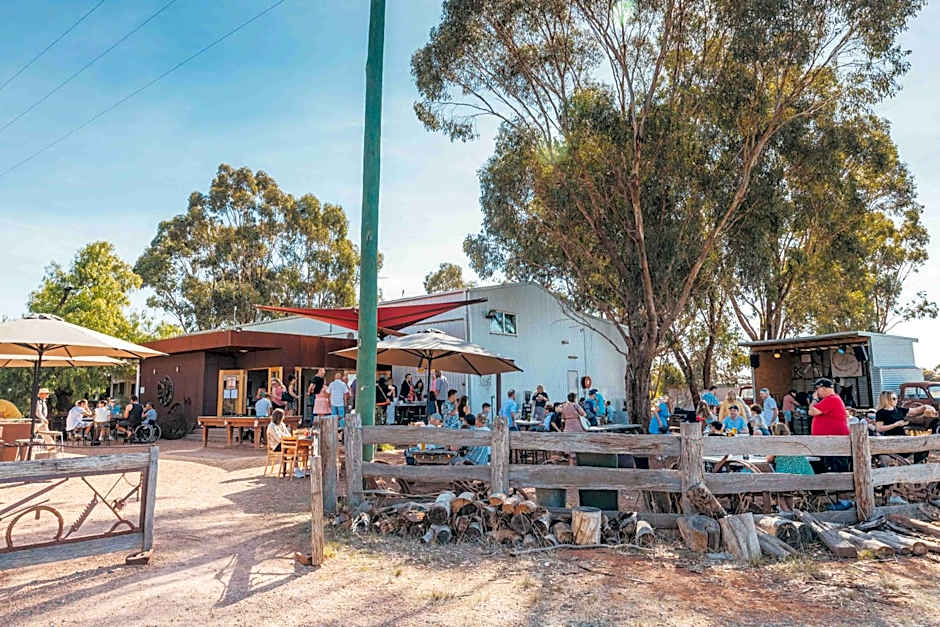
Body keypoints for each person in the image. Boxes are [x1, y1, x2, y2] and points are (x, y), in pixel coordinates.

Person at [875, 390, 931, 463]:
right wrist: (896, 424)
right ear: (886, 400)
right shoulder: (881, 413)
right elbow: (879, 428)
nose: (896, 400)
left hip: (904, 438)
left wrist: (926, 407)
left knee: (924, 446)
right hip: (891, 441)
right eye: (894, 398)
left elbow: (915, 411)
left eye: (896, 398)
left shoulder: (899, 410)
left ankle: (918, 465)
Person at [809, 378, 850, 472]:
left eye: (817, 389)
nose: (816, 392)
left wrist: (814, 399)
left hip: (833, 442)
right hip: (829, 442)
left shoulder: (831, 399)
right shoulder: (832, 399)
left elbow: (812, 411)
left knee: (835, 469)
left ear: (823, 388)